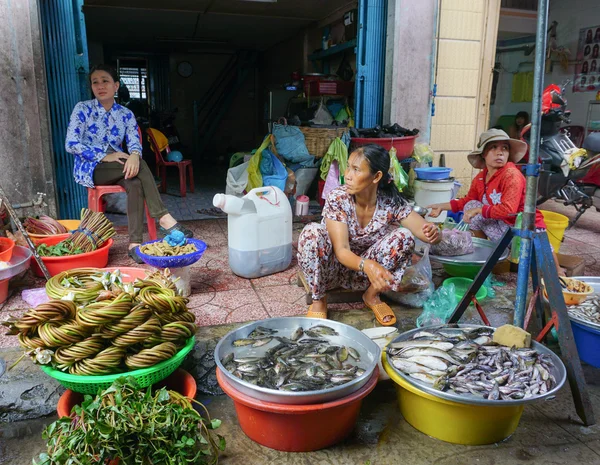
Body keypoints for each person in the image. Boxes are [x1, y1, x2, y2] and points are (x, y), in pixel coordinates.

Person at [297, 144, 441, 326]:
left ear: (377, 176)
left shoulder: (390, 201)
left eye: (356, 170)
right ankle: (319, 300)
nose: (347, 175)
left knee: (404, 236)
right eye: (348, 167)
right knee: (312, 233)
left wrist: (435, 233)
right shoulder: (338, 198)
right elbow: (341, 250)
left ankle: (371, 295)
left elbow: (424, 230)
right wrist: (368, 265)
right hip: (332, 272)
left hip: (366, 278)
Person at [65, 64, 193, 264]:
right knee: (140, 166)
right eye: (95, 82)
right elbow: (71, 144)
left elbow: (134, 141)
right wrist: (104, 156)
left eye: (105, 81)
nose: (100, 86)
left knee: (134, 182)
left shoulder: (125, 114)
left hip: (119, 163)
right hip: (92, 167)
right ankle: (164, 218)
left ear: (116, 86)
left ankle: (134, 245)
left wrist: (134, 154)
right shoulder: (83, 109)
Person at [427, 129, 564, 275]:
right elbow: (467, 201)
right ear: (483, 154)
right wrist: (442, 206)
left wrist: (479, 210)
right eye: (493, 148)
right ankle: (486, 262)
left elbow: (508, 210)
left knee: (545, 259)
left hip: (525, 226)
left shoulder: (511, 175)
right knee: (471, 206)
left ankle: (559, 274)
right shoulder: (481, 178)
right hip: (503, 227)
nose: (500, 152)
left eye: (504, 148)